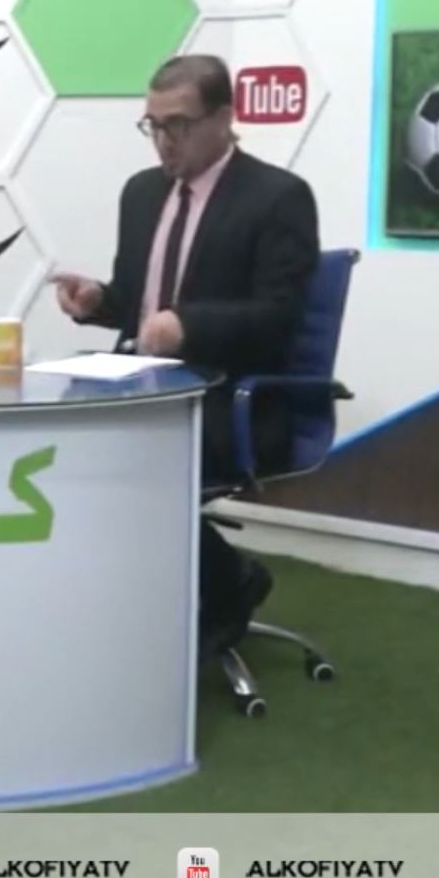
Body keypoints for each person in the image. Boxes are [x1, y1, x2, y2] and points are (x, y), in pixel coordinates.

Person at [51, 54, 320, 657]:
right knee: (63, 443)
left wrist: (189, 327)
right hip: (138, 385)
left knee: (123, 460)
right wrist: (96, 302)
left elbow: (278, 318)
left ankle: (228, 582)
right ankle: (167, 590)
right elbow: (136, 304)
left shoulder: (278, 197)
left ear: (224, 118)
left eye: (179, 125)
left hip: (229, 397)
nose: (164, 141)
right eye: (153, 125)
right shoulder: (141, 193)